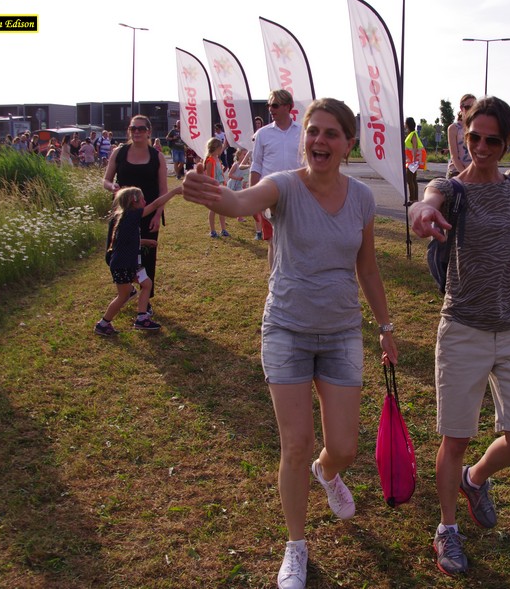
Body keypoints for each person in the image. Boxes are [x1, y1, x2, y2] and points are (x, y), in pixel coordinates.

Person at [182, 98, 398, 589]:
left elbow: (367, 268)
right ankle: (296, 546)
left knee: (343, 447)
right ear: (304, 139)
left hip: (342, 332)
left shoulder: (362, 198)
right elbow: (241, 202)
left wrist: (385, 327)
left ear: (347, 144)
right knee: (296, 444)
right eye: (313, 131)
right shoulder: (283, 185)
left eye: (331, 133)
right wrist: (215, 194)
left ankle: (328, 473)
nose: (319, 140)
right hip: (286, 330)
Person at [409, 96, 510, 577]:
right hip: (464, 327)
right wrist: (422, 212)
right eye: (474, 138)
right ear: (465, 137)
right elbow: (427, 201)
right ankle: (447, 528)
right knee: (456, 438)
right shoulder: (452, 188)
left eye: (492, 140)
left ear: (506, 143)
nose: (482, 147)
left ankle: (475, 479)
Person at [96, 185, 183, 336]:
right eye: (142, 199)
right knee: (123, 296)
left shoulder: (125, 218)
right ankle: (103, 324)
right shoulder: (131, 216)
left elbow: (127, 242)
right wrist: (174, 192)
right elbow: (155, 205)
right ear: (133, 202)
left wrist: (145, 242)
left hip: (131, 264)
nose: (145, 202)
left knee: (147, 284)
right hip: (123, 265)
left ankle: (142, 318)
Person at [103, 115, 169, 309]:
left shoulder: (156, 156)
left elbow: (163, 190)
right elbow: (106, 180)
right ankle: (127, 289)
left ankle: (145, 300)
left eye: (141, 128)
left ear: (149, 131)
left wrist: (157, 214)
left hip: (148, 213)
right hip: (121, 215)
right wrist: (112, 187)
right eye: (133, 128)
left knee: (146, 256)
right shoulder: (119, 152)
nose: (137, 132)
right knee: (116, 254)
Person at [250, 90, 302, 244]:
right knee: (272, 242)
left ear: (288, 106)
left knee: (295, 241)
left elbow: (309, 165)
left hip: (296, 194)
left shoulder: (303, 132)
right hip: (269, 195)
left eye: (275, 105)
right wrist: (253, 196)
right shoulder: (262, 134)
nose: (270, 109)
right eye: (268, 105)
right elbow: (256, 165)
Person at [203, 138, 229, 238]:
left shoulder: (218, 159)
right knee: (213, 209)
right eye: (220, 148)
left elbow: (220, 173)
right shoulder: (210, 160)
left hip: (221, 186)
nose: (221, 150)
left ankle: (223, 229)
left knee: (222, 209)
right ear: (216, 148)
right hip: (213, 188)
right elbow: (209, 176)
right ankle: (213, 230)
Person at [446, 94, 476, 178]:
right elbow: (454, 156)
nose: (471, 110)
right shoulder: (454, 128)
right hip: (456, 172)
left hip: (474, 173)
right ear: (461, 108)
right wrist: (466, 175)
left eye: (474, 107)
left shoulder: (477, 127)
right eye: (468, 107)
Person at [404, 117, 425, 205]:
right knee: (413, 179)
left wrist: (413, 161)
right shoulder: (411, 134)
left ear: (407, 124)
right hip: (411, 160)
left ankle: (412, 199)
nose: (404, 124)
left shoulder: (413, 134)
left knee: (410, 179)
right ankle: (415, 199)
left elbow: (415, 147)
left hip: (412, 161)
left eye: (405, 123)